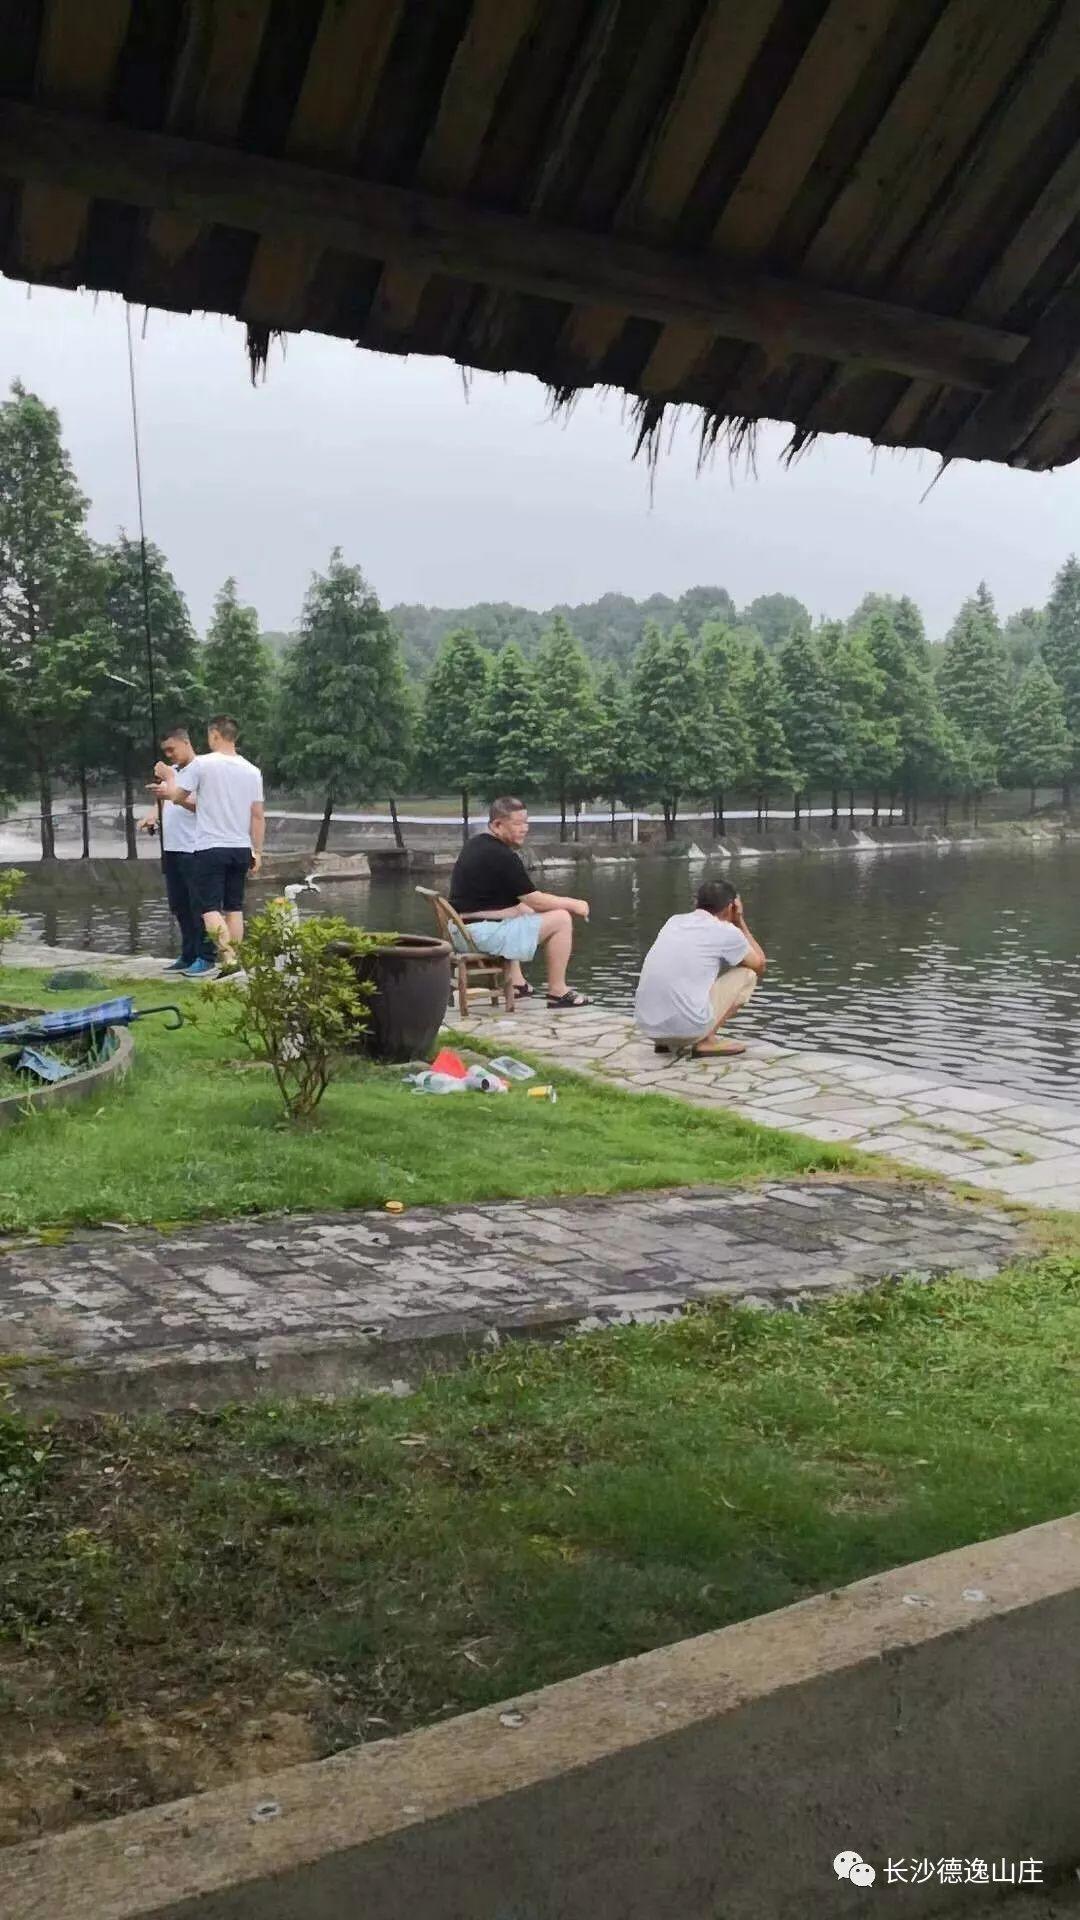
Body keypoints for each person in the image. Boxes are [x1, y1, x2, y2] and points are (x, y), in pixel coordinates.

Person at [448, 796, 591, 1008]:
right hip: (480, 935)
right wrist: (574, 903)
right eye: (517, 823)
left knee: (522, 910)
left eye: (526, 822)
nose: (524, 829)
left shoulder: (476, 845)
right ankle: (557, 991)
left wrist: (526, 909)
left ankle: (517, 984)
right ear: (497, 825)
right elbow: (535, 900)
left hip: (462, 931)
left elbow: (518, 904)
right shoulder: (502, 856)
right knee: (561, 918)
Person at [151, 716, 264, 973]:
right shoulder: (252, 770)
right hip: (241, 847)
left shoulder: (203, 764)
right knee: (234, 908)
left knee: (208, 909)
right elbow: (258, 815)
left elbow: (178, 796)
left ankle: (229, 960)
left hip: (210, 847)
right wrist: (258, 850)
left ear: (214, 735)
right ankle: (236, 958)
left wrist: (168, 777)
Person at [634, 879, 766, 1057]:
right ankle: (706, 1041)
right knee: (748, 975)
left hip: (650, 1027)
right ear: (731, 906)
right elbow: (759, 965)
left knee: (694, 976)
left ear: (697, 902)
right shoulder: (726, 931)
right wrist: (739, 921)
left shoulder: (673, 922)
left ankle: (666, 1042)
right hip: (687, 1030)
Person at [138, 726, 217, 977]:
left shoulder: (203, 770)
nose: (169, 754)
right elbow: (161, 803)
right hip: (171, 848)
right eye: (165, 751)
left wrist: (171, 784)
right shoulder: (170, 772)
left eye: (172, 749)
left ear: (186, 742)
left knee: (199, 905)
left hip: (195, 848)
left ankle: (207, 956)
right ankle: (188, 953)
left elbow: (204, 807)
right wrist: (152, 817)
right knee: (180, 905)